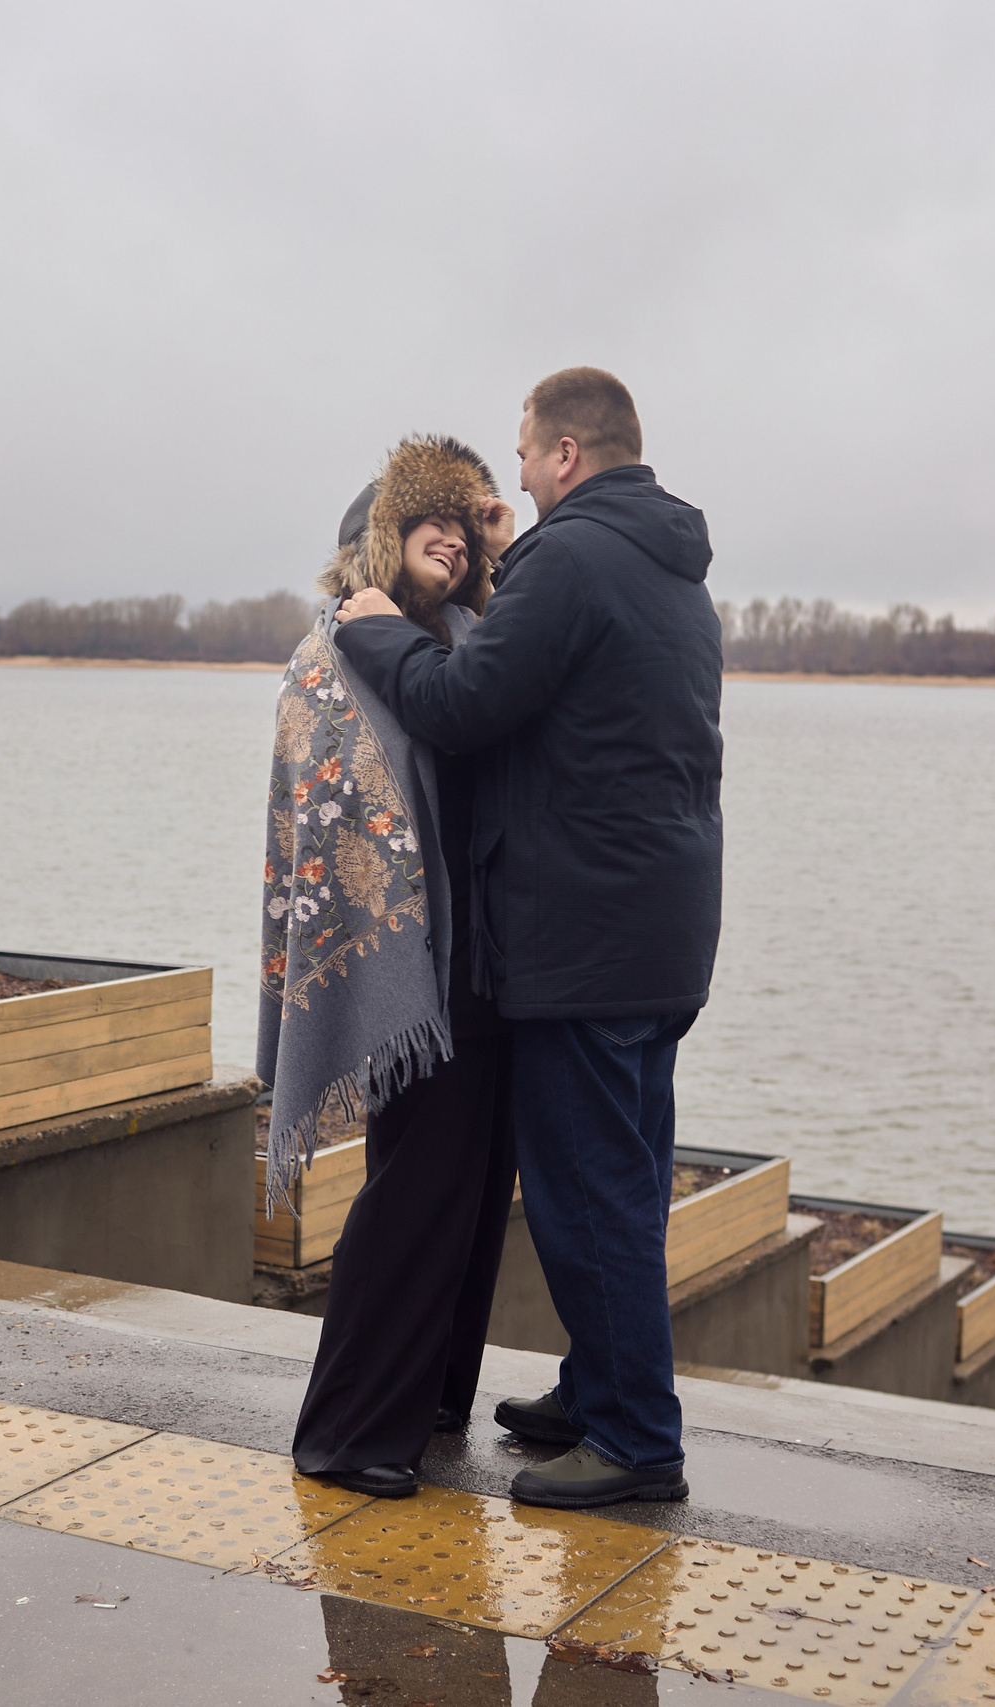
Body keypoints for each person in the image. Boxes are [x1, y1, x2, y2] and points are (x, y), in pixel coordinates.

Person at [333, 368, 722, 1510]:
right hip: (661, 927)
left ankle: (636, 1439)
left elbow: (463, 702)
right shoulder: (665, 565)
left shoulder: (573, 558)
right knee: (630, 1175)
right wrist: (515, 553)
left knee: (585, 1187)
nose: (507, 479)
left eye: (520, 455)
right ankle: (602, 1387)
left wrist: (368, 632)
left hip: (585, 937)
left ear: (562, 455)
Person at [259, 434, 522, 1500]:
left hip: (476, 966)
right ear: (376, 541)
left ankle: (427, 1404)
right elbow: (329, 819)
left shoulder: (455, 645)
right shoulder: (329, 656)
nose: (453, 543)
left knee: (465, 1191)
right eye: (430, 524)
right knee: (415, 1190)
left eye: (465, 530)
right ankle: (345, 1431)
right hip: (408, 968)